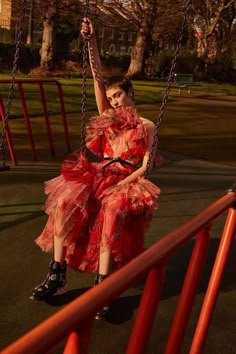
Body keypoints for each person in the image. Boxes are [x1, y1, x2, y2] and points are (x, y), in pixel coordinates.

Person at [30, 18, 162, 320]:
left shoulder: (148, 126)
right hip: (98, 173)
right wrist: (91, 43)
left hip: (127, 179)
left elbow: (146, 166)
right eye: (111, 96)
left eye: (118, 96)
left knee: (113, 210)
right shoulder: (108, 116)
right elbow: (96, 75)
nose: (114, 102)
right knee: (64, 200)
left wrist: (121, 183)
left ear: (130, 93)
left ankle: (103, 287)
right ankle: (57, 275)